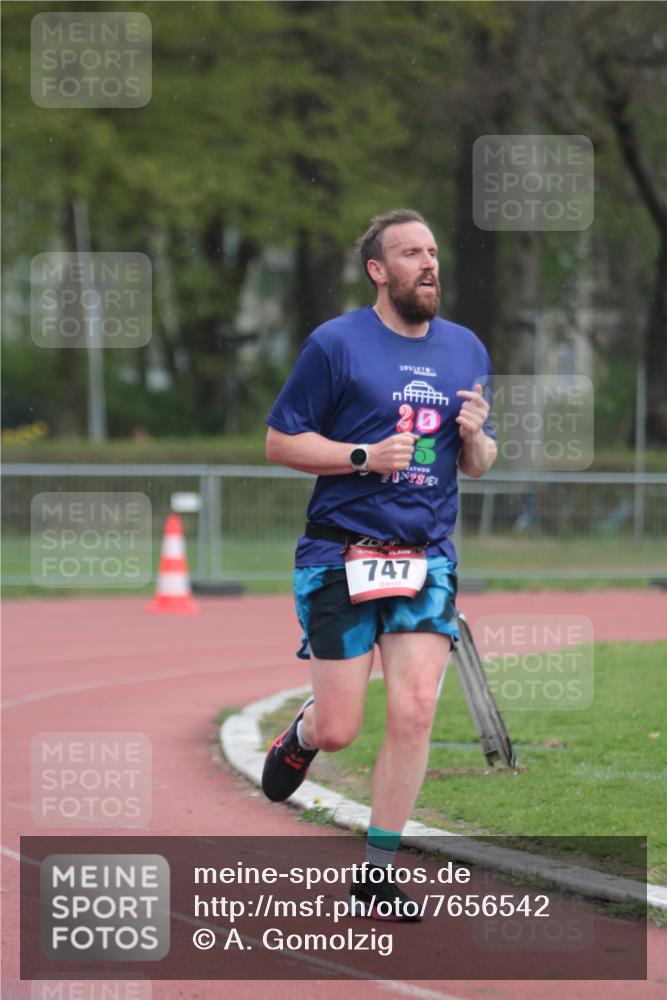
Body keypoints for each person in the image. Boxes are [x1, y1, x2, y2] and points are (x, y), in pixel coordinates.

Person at [261, 208, 497, 920]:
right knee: (341, 729)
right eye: (409, 254)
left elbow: (480, 462)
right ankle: (305, 732)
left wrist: (477, 438)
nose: (428, 264)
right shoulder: (335, 344)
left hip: (426, 555)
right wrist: (361, 456)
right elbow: (279, 441)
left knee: (416, 708)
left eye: (431, 252)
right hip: (340, 551)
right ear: (377, 270)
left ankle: (376, 870)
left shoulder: (465, 349)